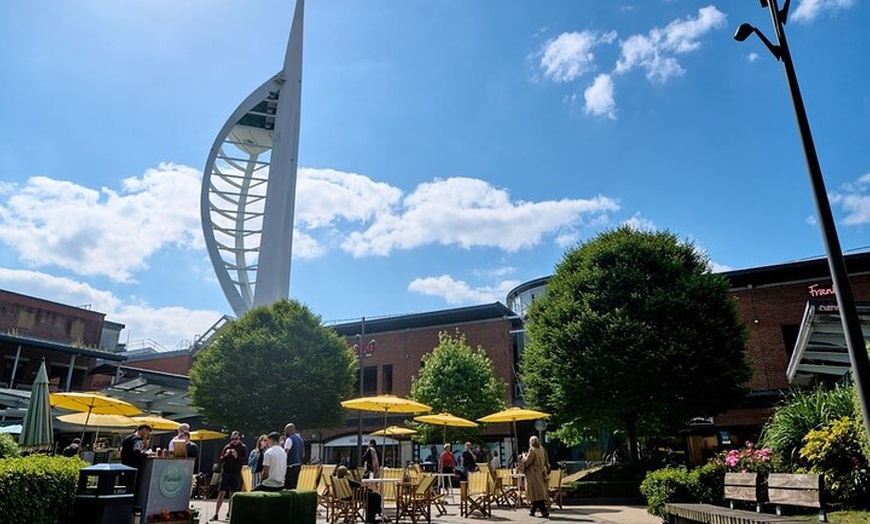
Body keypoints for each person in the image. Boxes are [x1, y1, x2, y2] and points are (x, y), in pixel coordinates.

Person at [213, 430, 247, 521]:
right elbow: (221, 460)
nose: (234, 441)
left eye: (236, 439)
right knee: (221, 492)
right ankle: (216, 514)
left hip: (235, 473)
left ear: (239, 438)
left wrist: (236, 456)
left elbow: (243, 461)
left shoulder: (243, 447)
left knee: (232, 493)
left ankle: (230, 513)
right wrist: (226, 455)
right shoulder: (227, 447)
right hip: (226, 472)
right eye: (232, 439)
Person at [521, 435, 550, 518]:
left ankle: (543, 511)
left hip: (533, 474)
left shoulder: (532, 450)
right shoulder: (541, 448)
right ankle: (533, 510)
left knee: (535, 493)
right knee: (537, 493)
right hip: (540, 473)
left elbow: (527, 462)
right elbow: (546, 459)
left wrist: (524, 457)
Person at [121, 424, 153, 494]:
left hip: (124, 465)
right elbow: (137, 452)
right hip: (134, 466)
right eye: (147, 433)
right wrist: (147, 454)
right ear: (144, 430)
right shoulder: (138, 439)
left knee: (123, 486)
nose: (147, 435)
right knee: (133, 486)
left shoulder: (128, 437)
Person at [283, 423, 305, 489]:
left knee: (288, 486)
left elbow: (285, 453)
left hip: (290, 465)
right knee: (294, 486)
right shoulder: (300, 439)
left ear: (288, 430)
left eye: (285, 430)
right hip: (298, 465)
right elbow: (303, 454)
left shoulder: (289, 439)